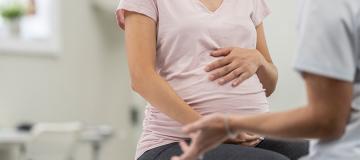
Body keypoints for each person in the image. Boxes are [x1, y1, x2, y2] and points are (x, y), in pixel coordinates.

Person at [116, 0, 308, 160]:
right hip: (174, 141)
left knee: (317, 153)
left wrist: (259, 61)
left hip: (251, 138)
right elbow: (141, 78)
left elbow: (270, 85)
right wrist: (213, 129)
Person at [172, 0, 360, 159]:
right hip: (176, 138)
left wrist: (230, 125)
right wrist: (221, 127)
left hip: (344, 144)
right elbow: (142, 76)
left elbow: (326, 119)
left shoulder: (325, 8)